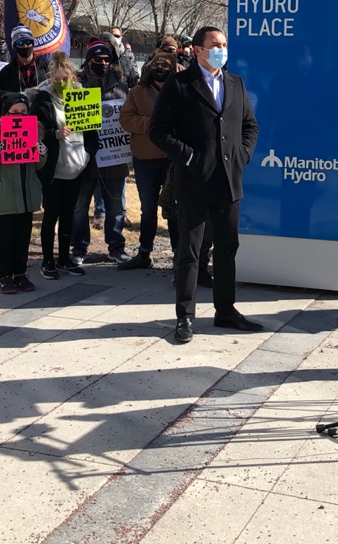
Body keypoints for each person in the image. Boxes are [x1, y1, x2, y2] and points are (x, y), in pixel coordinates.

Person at [149, 25, 261, 344]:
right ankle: (185, 316)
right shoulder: (180, 84)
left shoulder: (235, 83)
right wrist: (188, 157)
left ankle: (225, 310)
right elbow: (159, 131)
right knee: (191, 251)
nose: (221, 49)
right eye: (215, 44)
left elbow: (249, 125)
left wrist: (243, 155)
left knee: (227, 248)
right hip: (194, 182)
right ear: (198, 49)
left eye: (224, 44)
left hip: (229, 182)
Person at [27, 51, 91, 279]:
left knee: (69, 215)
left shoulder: (82, 98)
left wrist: (89, 156)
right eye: (57, 79)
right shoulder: (42, 100)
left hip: (77, 167)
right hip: (53, 169)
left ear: (73, 78)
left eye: (66, 79)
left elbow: (92, 132)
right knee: (51, 215)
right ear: (50, 79)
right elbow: (33, 133)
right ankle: (47, 261)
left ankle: (65, 258)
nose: (62, 83)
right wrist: (54, 134)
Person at [69, 41, 130, 266]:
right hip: (84, 157)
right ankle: (79, 247)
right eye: (98, 59)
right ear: (88, 60)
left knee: (115, 206)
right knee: (80, 206)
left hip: (114, 157)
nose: (103, 63)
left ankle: (116, 247)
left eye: (107, 59)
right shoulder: (76, 86)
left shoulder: (122, 88)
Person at [0, 92, 47, 294]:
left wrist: (42, 153)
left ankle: (20, 274)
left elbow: (37, 166)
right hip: (4, 196)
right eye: (15, 112)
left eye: (24, 112)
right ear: (5, 114)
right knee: (4, 239)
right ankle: (4, 277)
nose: (20, 116)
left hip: (26, 195)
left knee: (22, 238)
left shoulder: (34, 131)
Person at [119, 52, 178, 269]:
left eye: (165, 66)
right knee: (148, 209)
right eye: (156, 65)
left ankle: (178, 254)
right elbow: (125, 119)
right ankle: (144, 253)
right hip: (145, 160)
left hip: (172, 159)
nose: (160, 68)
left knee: (175, 209)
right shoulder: (137, 92)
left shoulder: (180, 91)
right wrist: (152, 124)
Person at [0, 25, 48, 93]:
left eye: (28, 42)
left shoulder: (47, 67)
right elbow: (0, 98)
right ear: (15, 46)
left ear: (32, 43)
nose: (25, 46)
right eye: (20, 43)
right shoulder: (5, 73)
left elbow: (61, 90)